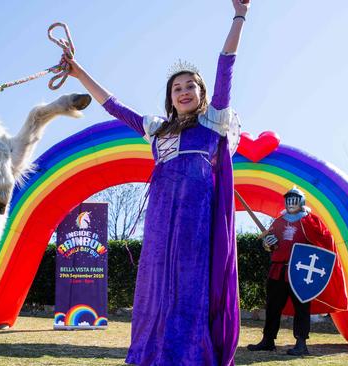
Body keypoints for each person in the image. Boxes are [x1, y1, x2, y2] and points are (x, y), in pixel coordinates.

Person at [64, 1, 250, 364]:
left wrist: (239, 17)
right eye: (177, 88)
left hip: (195, 221)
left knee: (189, 287)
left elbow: (225, 64)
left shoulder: (213, 122)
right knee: (154, 287)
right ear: (170, 97)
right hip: (161, 219)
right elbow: (113, 105)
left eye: (190, 87)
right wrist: (78, 72)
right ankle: (150, 354)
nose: (183, 92)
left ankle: (189, 355)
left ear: (201, 94)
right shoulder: (156, 129)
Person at [247, 186, 348, 356]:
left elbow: (324, 241)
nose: (291, 202)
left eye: (294, 199)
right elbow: (270, 245)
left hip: (300, 273)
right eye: (288, 199)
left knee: (301, 308)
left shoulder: (311, 221)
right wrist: (267, 244)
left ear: (301, 201)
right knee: (272, 306)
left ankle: (301, 343)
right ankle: (268, 340)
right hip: (277, 270)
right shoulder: (278, 221)